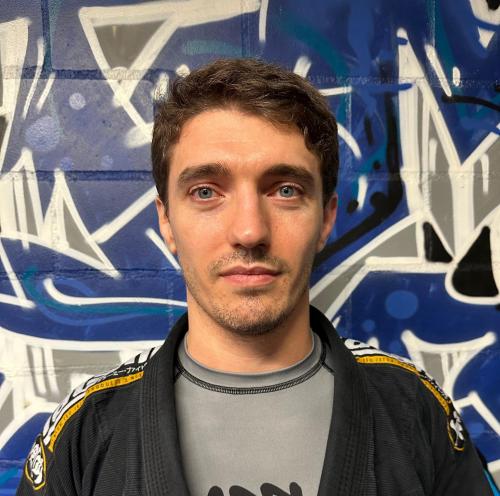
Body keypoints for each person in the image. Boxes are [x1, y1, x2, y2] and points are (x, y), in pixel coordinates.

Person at [17, 58, 493, 496]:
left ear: (326, 218)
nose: (249, 231)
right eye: (206, 192)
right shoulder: (84, 435)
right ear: (166, 221)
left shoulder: (414, 412)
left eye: (285, 190)